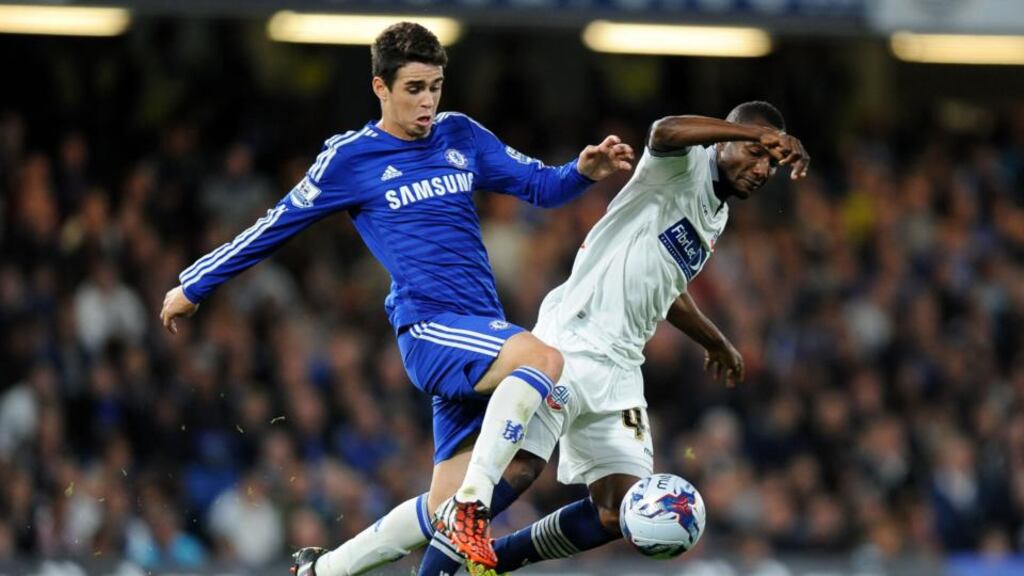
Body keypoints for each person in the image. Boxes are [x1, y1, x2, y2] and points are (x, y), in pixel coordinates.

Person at [156, 21, 633, 575]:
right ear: (380, 88)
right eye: (413, 88)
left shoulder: (460, 135)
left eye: (434, 86)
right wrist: (194, 284)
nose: (427, 101)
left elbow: (539, 186)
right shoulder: (350, 159)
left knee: (451, 504)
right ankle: (473, 512)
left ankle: (324, 571)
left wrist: (582, 172)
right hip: (431, 328)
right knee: (545, 361)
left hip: (480, 331)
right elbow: (275, 224)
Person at [294, 101, 809, 576]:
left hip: (622, 369)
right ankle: (335, 571)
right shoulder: (685, 166)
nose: (763, 168)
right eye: (755, 152)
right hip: (573, 340)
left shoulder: (716, 212)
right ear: (725, 141)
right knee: (509, 477)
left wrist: (714, 340)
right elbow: (664, 130)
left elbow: (666, 288)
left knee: (616, 511)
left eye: (770, 160)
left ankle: (492, 563)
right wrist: (756, 130)